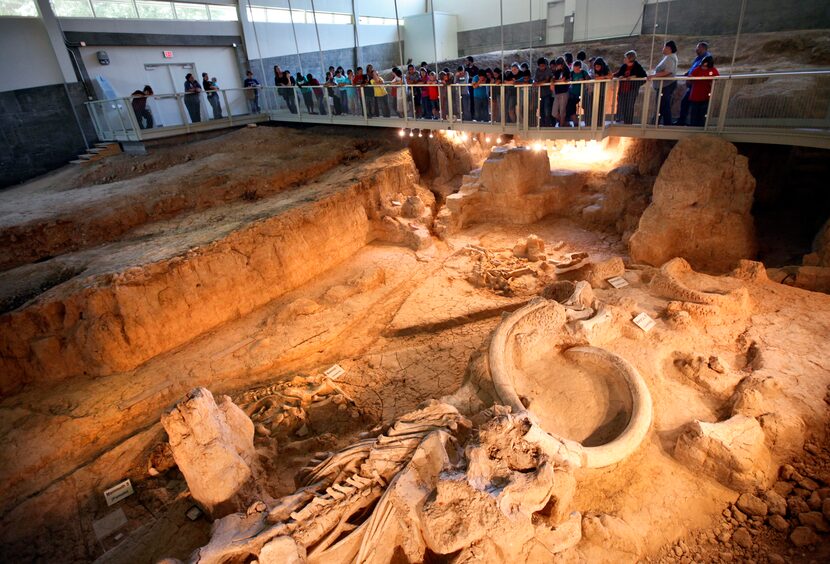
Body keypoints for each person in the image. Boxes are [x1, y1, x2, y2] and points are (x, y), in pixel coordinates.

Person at [677, 41, 711, 125]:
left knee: (691, 104)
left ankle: (689, 123)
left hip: (698, 86)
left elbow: (701, 70)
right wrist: (688, 73)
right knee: (686, 102)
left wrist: (691, 76)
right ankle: (683, 121)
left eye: (698, 47)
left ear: (703, 48)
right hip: (693, 85)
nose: (696, 49)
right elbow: (694, 68)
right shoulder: (698, 57)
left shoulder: (707, 58)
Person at [649, 40, 679, 126]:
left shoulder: (670, 58)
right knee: (662, 105)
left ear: (669, 48)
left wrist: (654, 76)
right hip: (664, 85)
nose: (663, 49)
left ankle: (665, 123)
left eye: (664, 47)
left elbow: (668, 71)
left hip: (666, 85)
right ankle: (657, 122)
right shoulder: (668, 57)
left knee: (663, 105)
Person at [613, 50, 647, 124]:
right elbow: (619, 73)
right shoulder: (624, 66)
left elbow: (644, 77)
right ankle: (619, 119)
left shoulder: (637, 67)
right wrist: (620, 76)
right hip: (622, 90)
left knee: (629, 105)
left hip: (631, 90)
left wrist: (634, 76)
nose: (624, 59)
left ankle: (628, 122)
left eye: (625, 58)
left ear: (630, 58)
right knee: (621, 104)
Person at [688, 55, 719, 126]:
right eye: (703, 66)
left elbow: (717, 78)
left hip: (706, 96)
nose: (704, 68)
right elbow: (690, 76)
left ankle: (702, 127)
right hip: (695, 96)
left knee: (703, 113)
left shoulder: (713, 70)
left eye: (706, 67)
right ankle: (693, 128)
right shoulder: (697, 69)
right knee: (694, 113)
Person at [584, 57, 610, 127]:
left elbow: (610, 76)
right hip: (593, 92)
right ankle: (592, 122)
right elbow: (596, 78)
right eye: (595, 67)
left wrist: (602, 77)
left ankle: (599, 123)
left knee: (600, 107)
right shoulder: (592, 71)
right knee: (593, 107)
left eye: (598, 66)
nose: (596, 68)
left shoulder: (606, 69)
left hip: (601, 92)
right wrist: (604, 77)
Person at [568, 60, 590, 127]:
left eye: (577, 69)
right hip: (573, 93)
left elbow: (589, 79)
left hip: (582, 93)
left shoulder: (584, 73)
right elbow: (568, 80)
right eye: (574, 68)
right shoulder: (571, 73)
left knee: (586, 106)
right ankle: (575, 122)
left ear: (580, 67)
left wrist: (584, 80)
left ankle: (588, 122)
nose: (575, 70)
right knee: (571, 107)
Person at [550, 57, 571, 126]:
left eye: (558, 65)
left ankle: (562, 125)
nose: (557, 66)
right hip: (557, 92)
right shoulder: (557, 71)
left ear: (561, 64)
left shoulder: (566, 70)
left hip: (564, 92)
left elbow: (563, 79)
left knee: (562, 111)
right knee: (554, 112)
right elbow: (553, 78)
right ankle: (564, 123)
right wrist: (552, 82)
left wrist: (554, 81)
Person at [533, 57, 553, 127]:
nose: (542, 67)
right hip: (540, 93)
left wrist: (538, 82)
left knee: (547, 109)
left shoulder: (548, 70)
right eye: (540, 66)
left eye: (543, 65)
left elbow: (547, 80)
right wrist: (536, 82)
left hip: (547, 93)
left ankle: (547, 124)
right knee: (541, 109)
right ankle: (542, 124)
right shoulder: (537, 70)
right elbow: (535, 80)